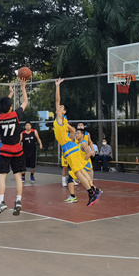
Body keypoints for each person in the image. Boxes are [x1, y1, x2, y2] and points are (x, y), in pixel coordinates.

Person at [54, 78, 101, 207]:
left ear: (63, 111)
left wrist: (57, 86)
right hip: (71, 146)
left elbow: (57, 100)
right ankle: (95, 189)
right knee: (80, 171)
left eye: (61, 107)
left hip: (69, 148)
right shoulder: (64, 120)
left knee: (77, 173)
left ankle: (91, 193)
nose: (59, 107)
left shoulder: (60, 118)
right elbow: (73, 130)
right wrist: (71, 140)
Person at [0, 79, 29, 216]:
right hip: (17, 150)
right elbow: (25, 102)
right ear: (10, 107)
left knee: (2, 176)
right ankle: (18, 201)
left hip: (5, 150)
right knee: (18, 176)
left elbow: (1, 108)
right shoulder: (16, 114)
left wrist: (10, 94)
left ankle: (1, 202)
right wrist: (23, 87)